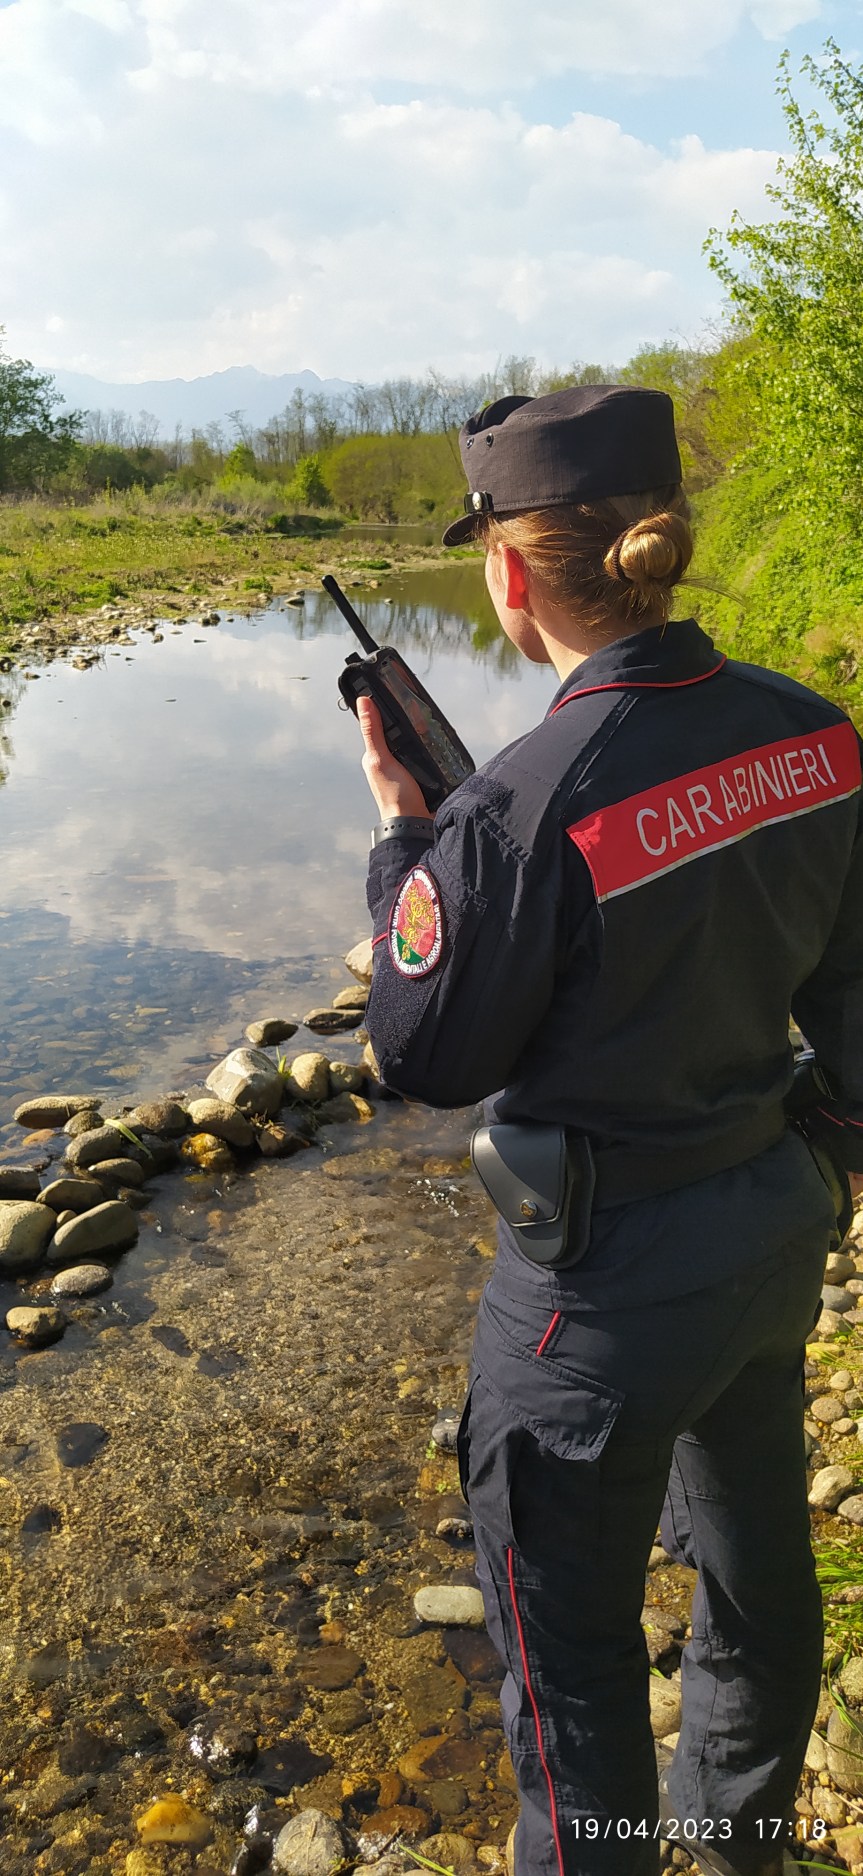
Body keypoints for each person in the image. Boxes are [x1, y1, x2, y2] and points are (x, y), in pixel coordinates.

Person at [353, 384, 863, 1876]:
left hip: (589, 1303)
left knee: (571, 1680)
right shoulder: (817, 733)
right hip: (771, 1236)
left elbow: (425, 1053)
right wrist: (824, 1161)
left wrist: (406, 843)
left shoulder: (510, 811)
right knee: (757, 1582)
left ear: (510, 573)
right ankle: (733, 1842)